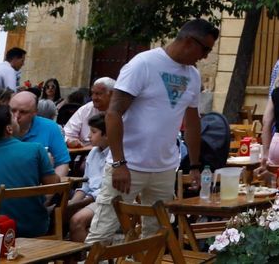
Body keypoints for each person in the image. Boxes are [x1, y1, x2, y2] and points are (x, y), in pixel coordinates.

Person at [85, 19, 215, 244]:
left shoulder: (193, 76)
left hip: (164, 169)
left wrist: (195, 165)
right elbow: (113, 113)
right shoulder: (143, 64)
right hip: (128, 165)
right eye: (205, 49)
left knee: (156, 235)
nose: (205, 56)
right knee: (102, 233)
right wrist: (119, 163)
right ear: (187, 41)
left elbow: (193, 122)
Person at [0, 104, 57, 242]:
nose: (18, 118)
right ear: (9, 129)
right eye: (13, 117)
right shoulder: (36, 150)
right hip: (34, 228)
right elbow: (53, 186)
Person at [0, 91, 72, 180]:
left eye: (23, 112)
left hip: (37, 191)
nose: (16, 116)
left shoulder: (50, 128)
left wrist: (49, 194)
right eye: (12, 110)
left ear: (35, 112)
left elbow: (62, 163)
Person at [68, 112, 110, 241]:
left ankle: (90, 258)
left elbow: (105, 189)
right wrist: (73, 202)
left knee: (77, 220)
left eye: (93, 132)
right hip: (90, 197)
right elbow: (86, 184)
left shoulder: (115, 155)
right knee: (60, 213)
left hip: (106, 200)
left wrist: (82, 202)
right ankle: (71, 257)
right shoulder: (93, 152)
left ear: (107, 134)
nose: (88, 136)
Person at [64, 78, 114, 146]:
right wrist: (70, 141)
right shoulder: (85, 109)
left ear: (111, 94)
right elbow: (66, 134)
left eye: (98, 94)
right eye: (92, 93)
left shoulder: (122, 111)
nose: (94, 97)